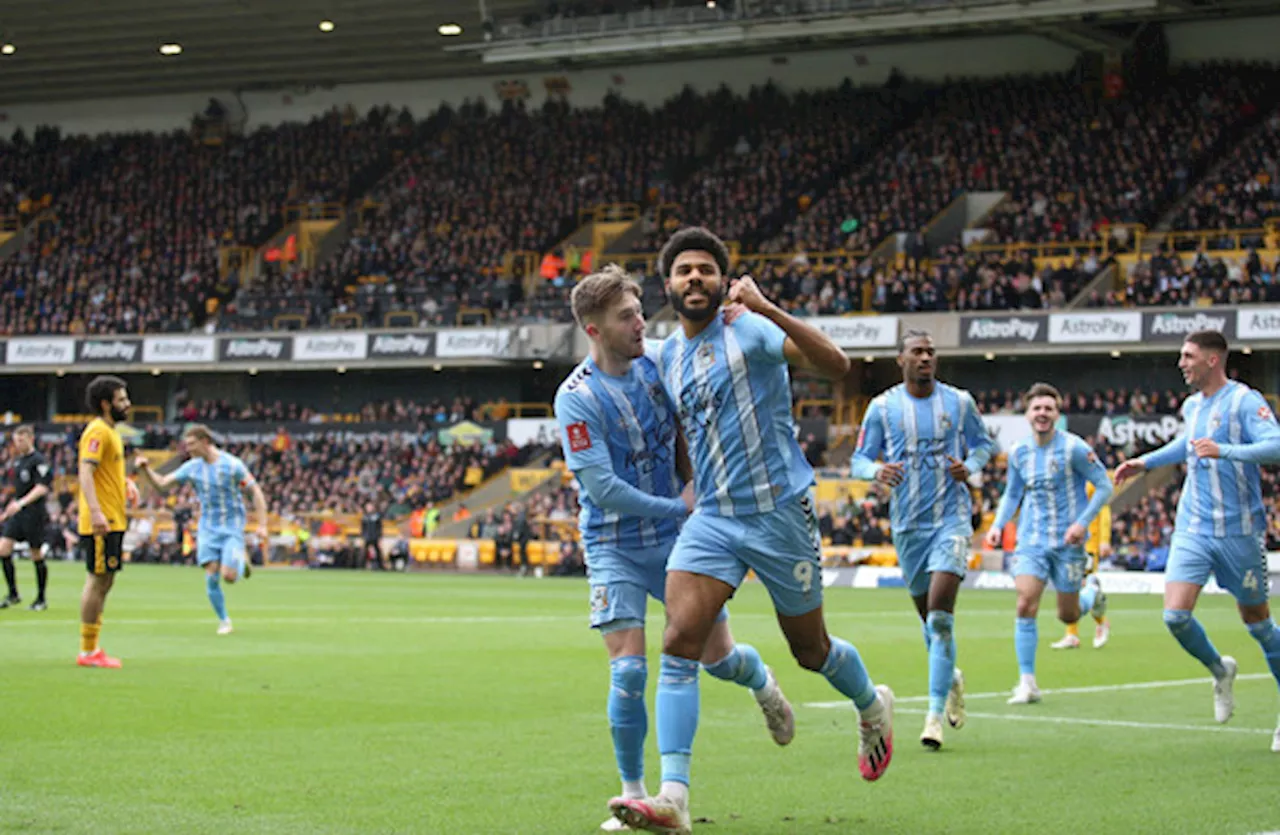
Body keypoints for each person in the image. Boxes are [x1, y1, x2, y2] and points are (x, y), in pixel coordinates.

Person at [612, 231, 894, 835]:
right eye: (684, 270)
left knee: (810, 650)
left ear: (723, 281)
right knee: (680, 641)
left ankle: (872, 705)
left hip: (779, 515)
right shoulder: (666, 357)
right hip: (712, 518)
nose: (695, 278)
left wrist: (767, 306)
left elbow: (839, 366)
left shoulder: (752, 330)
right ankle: (673, 797)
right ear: (669, 285)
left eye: (706, 270)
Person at [556, 263, 798, 834]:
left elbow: (701, 384)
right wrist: (684, 504)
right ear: (594, 329)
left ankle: (762, 683)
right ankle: (633, 795)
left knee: (720, 662)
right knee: (630, 674)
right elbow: (602, 490)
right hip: (613, 545)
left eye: (641, 310)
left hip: (676, 544)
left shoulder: (659, 365)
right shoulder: (576, 398)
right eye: (626, 316)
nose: (641, 323)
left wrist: (735, 315)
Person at [1113, 330, 1280, 752]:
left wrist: (1226, 451)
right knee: (1175, 617)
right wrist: (1144, 462)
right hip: (1193, 526)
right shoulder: (1192, 405)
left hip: (1239, 531)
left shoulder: (1244, 401)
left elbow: (1275, 445)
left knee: (1259, 625)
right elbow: (1188, 446)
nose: (1181, 363)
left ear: (1211, 359)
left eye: (1188, 356)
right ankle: (1219, 670)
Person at [851, 329, 993, 750]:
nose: (926, 357)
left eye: (931, 351)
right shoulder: (883, 407)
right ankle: (950, 678)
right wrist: (873, 472)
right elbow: (859, 458)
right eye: (918, 352)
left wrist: (970, 466)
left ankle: (932, 716)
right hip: (908, 524)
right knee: (927, 620)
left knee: (940, 617)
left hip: (951, 519)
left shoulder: (959, 402)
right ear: (901, 359)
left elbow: (983, 446)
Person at [982, 383, 1114, 705]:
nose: (1042, 414)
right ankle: (1027, 683)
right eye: (1036, 408)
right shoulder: (1018, 452)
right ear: (1027, 414)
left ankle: (1092, 595)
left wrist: (1082, 523)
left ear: (1057, 414)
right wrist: (998, 525)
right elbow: (1013, 493)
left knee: (1067, 615)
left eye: (1048, 409)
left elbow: (1104, 486)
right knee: (1025, 602)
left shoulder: (1075, 449)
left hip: (1067, 543)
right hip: (1031, 540)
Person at [134, 424, 268, 635]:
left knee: (229, 577)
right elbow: (162, 484)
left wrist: (262, 525)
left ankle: (240, 558)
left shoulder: (232, 465)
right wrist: (145, 469)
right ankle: (224, 621)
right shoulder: (192, 467)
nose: (187, 449)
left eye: (191, 444)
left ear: (205, 442)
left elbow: (256, 492)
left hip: (232, 527)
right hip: (207, 528)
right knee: (211, 574)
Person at [76, 375, 137, 668]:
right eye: (122, 399)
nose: (128, 404)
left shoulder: (112, 432)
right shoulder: (98, 431)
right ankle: (88, 651)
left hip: (114, 517)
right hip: (103, 519)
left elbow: (104, 472)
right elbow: (86, 471)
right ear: (106, 404)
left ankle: (93, 647)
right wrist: (96, 511)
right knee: (98, 579)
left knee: (106, 579)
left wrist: (126, 483)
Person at [0, 425, 54, 611]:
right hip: (19, 513)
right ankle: (13, 593)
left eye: (21, 440)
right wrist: (9, 510)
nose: (18, 444)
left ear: (30, 439)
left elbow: (42, 488)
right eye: (16, 440)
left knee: (35, 554)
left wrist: (21, 503)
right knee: (3, 549)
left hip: (34, 514)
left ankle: (41, 598)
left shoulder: (39, 460)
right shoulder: (18, 462)